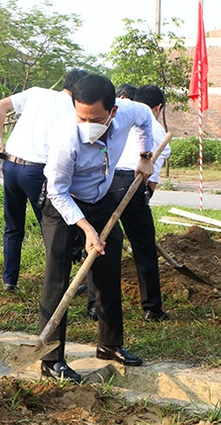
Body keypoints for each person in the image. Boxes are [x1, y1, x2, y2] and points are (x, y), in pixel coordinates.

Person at [40, 73, 153, 383]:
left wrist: (145, 157)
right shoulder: (65, 139)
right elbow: (58, 192)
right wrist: (87, 230)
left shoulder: (128, 112)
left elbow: (146, 118)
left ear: (113, 111)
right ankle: (51, 359)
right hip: (63, 206)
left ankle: (110, 345)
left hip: (101, 201)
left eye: (96, 119)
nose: (88, 125)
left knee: (108, 271)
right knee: (57, 278)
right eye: (82, 118)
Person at [0, 68, 88, 291]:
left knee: (13, 225)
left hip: (11, 165)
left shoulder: (37, 93)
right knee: (53, 229)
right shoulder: (73, 110)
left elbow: (1, 105)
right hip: (37, 172)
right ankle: (58, 285)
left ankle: (9, 280)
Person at [85, 85, 171, 322]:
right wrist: (144, 196)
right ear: (158, 108)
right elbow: (152, 175)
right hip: (131, 182)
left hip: (104, 180)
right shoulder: (154, 127)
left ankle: (95, 305)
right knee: (144, 247)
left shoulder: (118, 116)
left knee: (99, 242)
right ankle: (152, 308)